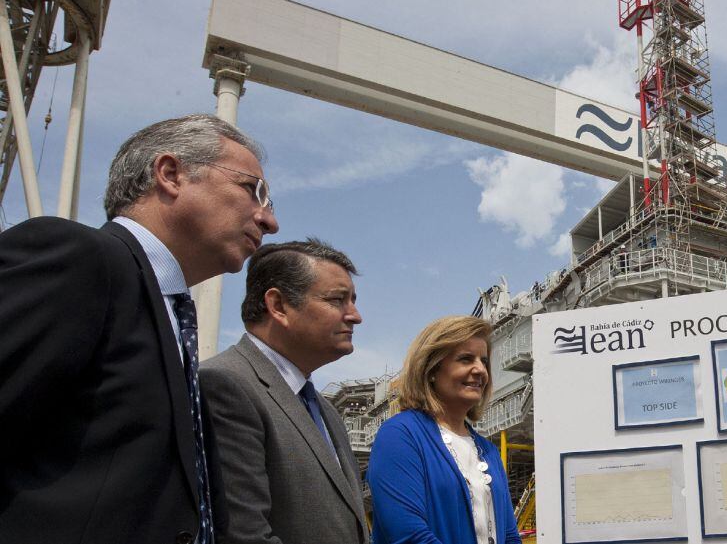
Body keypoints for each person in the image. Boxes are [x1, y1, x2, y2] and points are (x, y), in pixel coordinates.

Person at [0, 114, 278, 544]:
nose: (268, 220)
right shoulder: (80, 260)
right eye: (252, 190)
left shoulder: (173, 320)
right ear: (170, 174)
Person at [200, 239, 368, 544]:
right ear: (278, 305)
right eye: (337, 300)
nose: (355, 315)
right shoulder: (226, 385)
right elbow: (244, 535)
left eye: (353, 300)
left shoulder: (324, 410)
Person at [368, 316, 522, 544]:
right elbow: (409, 536)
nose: (480, 369)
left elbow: (509, 536)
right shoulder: (400, 435)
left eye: (484, 361)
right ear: (431, 369)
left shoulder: (488, 451)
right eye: (466, 359)